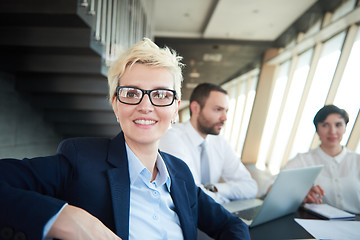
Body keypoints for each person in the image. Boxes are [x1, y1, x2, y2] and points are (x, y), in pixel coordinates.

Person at [0, 38, 251, 240]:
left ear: (175, 108)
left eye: (161, 95)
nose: (145, 105)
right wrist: (63, 217)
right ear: (115, 104)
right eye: (131, 93)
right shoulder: (80, 160)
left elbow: (232, 225)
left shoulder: (180, 173)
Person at [159, 83, 258, 204]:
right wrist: (224, 199)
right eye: (218, 109)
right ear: (195, 108)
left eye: (226, 111)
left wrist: (215, 188)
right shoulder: (172, 137)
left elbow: (250, 187)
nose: (224, 117)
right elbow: (193, 193)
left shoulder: (220, 143)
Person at [283, 104, 360, 214]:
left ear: (345, 128)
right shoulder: (302, 160)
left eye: (338, 125)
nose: (332, 131)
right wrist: (298, 192)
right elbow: (270, 186)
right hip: (316, 223)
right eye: (325, 125)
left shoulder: (357, 161)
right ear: (317, 129)